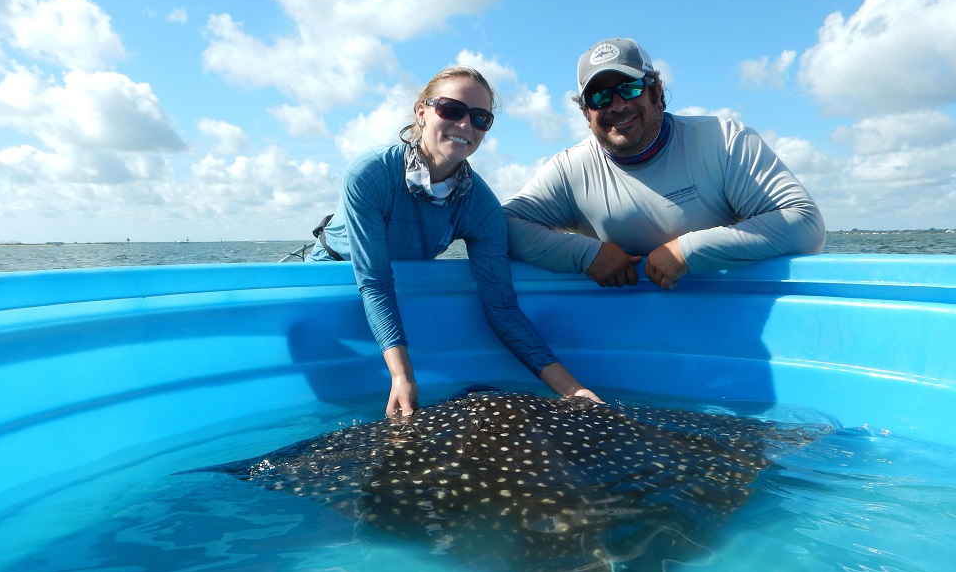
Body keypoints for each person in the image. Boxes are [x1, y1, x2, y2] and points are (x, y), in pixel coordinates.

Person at [309, 66, 599, 415]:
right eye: (451, 109)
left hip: (398, 287)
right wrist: (402, 376)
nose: (465, 125)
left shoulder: (482, 208)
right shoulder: (369, 174)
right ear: (422, 112)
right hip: (333, 274)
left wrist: (574, 391)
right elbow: (375, 282)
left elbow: (502, 308)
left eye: (481, 118)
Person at [503, 38, 826, 290]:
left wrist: (687, 251)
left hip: (728, 322)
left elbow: (804, 224)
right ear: (586, 114)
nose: (617, 106)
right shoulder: (570, 169)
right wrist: (585, 255)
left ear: (656, 92)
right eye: (599, 98)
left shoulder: (723, 140)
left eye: (629, 89)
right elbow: (500, 225)